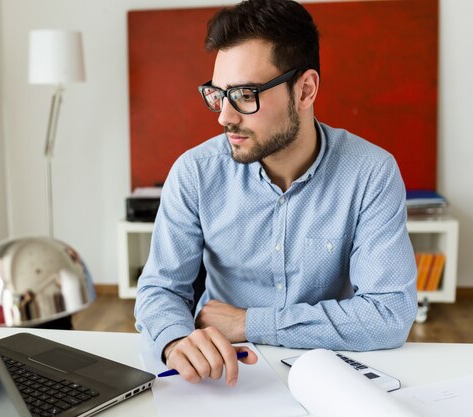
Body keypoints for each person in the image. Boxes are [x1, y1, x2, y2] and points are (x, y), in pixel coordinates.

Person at [134, 0, 417, 387]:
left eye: (245, 94)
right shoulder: (195, 172)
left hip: (328, 372)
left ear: (305, 90)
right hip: (224, 374)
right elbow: (160, 289)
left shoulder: (370, 172)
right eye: (218, 94)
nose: (224, 116)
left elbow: (389, 314)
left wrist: (248, 322)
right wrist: (176, 340)